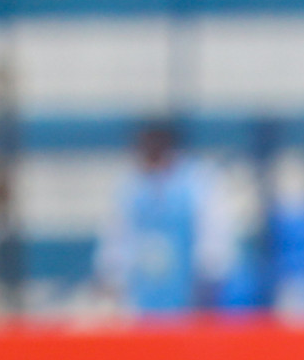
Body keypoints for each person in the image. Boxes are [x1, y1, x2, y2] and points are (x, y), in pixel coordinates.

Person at [96, 123, 235, 316]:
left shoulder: (197, 181)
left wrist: (209, 274)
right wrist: (112, 276)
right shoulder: (130, 186)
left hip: (188, 291)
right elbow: (118, 237)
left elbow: (213, 233)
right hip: (142, 293)